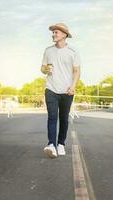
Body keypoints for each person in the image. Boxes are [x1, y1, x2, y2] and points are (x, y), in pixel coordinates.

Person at [41, 23, 81, 158]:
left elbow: (76, 71)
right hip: (51, 88)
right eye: (53, 32)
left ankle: (61, 144)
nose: (53, 34)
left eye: (56, 32)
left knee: (63, 118)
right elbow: (42, 68)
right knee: (52, 117)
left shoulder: (73, 52)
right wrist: (45, 69)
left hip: (66, 91)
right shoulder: (48, 50)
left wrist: (73, 86)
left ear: (64, 35)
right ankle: (51, 144)